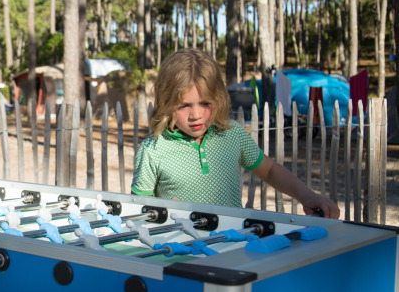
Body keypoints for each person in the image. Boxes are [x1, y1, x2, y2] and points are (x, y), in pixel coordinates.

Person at [131, 48, 340, 219]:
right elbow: (137, 208)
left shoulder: (232, 135)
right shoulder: (154, 149)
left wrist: (307, 196)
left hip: (232, 245)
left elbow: (270, 171)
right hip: (178, 251)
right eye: (184, 105)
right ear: (166, 103)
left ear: (219, 98)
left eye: (205, 103)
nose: (196, 114)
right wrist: (161, 209)